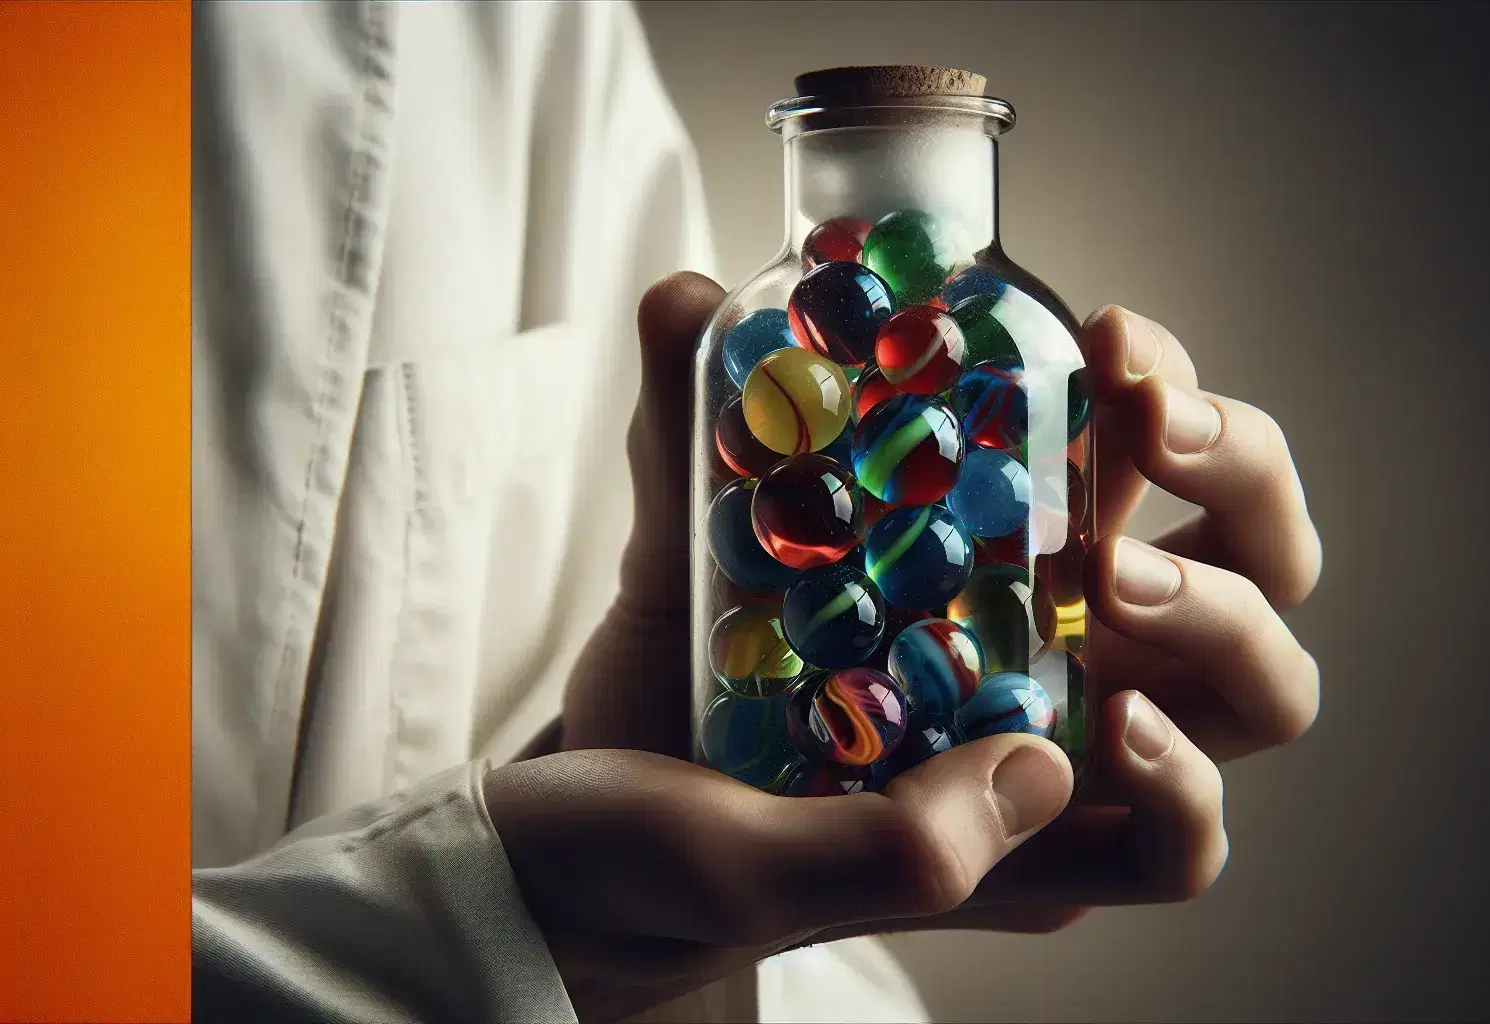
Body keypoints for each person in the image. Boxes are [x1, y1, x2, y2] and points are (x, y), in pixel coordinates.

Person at [190, 3, 1324, 1022]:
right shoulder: (762, 329)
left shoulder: (1020, 335)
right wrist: (501, 932)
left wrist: (699, 942)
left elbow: (750, 911)